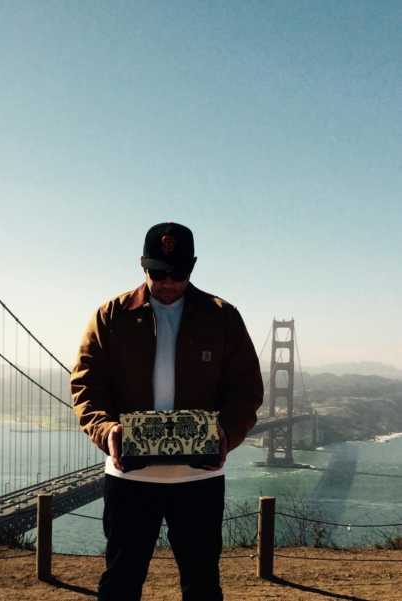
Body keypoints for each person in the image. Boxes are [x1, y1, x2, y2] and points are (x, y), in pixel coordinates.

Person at [70, 222, 263, 601]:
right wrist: (106, 430)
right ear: (142, 266)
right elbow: (85, 386)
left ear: (192, 266)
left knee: (203, 585)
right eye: (158, 272)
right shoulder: (110, 316)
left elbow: (246, 389)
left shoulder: (223, 317)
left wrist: (227, 432)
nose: (169, 281)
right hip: (129, 477)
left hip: (199, 477)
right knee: (121, 583)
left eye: (179, 273)